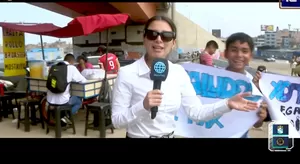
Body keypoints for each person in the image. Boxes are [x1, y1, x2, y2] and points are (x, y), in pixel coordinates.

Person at [111, 16, 259, 138]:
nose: (159, 40)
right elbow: (117, 121)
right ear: (144, 38)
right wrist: (142, 106)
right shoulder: (127, 73)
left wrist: (227, 104)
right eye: (152, 34)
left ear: (173, 43)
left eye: (166, 36)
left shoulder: (179, 73)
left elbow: (196, 112)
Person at [224, 32, 268, 138]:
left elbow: (257, 124)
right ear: (225, 54)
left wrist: (261, 117)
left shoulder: (253, 85)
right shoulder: (210, 78)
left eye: (244, 51)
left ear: (250, 56)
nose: (239, 55)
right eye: (234, 50)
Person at [46, 54, 87, 124]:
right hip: (63, 101)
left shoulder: (53, 67)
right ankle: (66, 116)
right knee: (79, 101)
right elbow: (83, 81)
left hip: (50, 100)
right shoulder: (71, 68)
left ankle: (60, 116)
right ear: (72, 61)